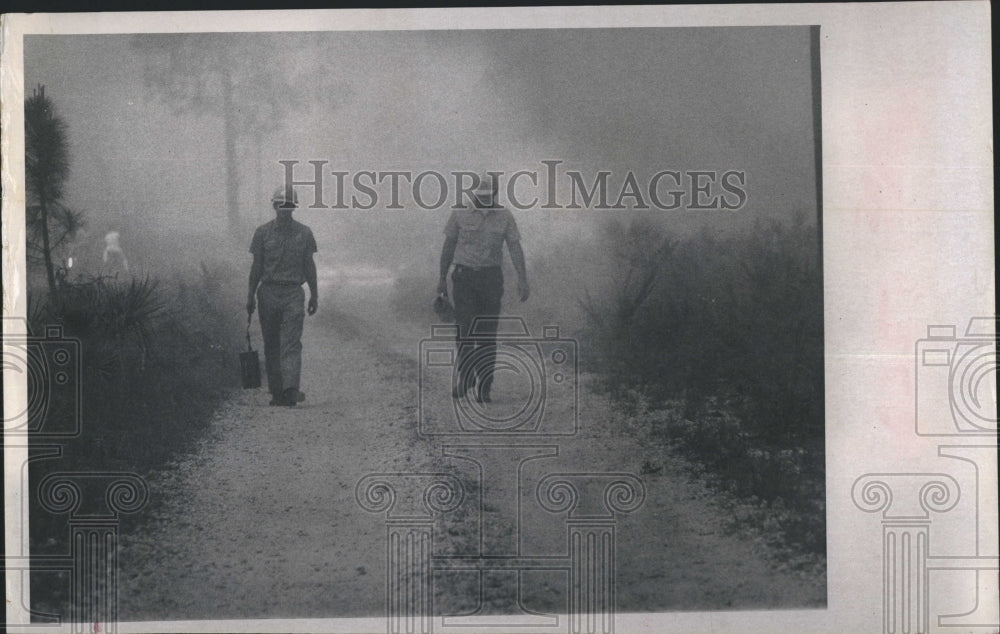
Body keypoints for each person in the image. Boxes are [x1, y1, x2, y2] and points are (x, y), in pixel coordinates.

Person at [437, 175, 529, 403]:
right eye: (479, 195)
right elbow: (448, 246)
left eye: (487, 195)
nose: (482, 200)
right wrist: (441, 279)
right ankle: (466, 377)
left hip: (490, 280)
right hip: (464, 279)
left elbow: (514, 247)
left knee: (487, 334)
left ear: (494, 194)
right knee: (464, 331)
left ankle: (485, 386)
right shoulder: (460, 213)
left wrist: (522, 278)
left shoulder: (505, 216)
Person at [247, 185, 319, 406]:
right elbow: (256, 267)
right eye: (280, 205)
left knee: (291, 343)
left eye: (288, 205)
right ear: (274, 206)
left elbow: (309, 265)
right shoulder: (262, 233)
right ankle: (277, 392)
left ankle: (291, 390)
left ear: (294, 207)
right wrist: (250, 296)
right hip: (267, 293)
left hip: (293, 294)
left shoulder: (304, 233)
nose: (284, 209)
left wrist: (314, 295)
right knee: (271, 343)